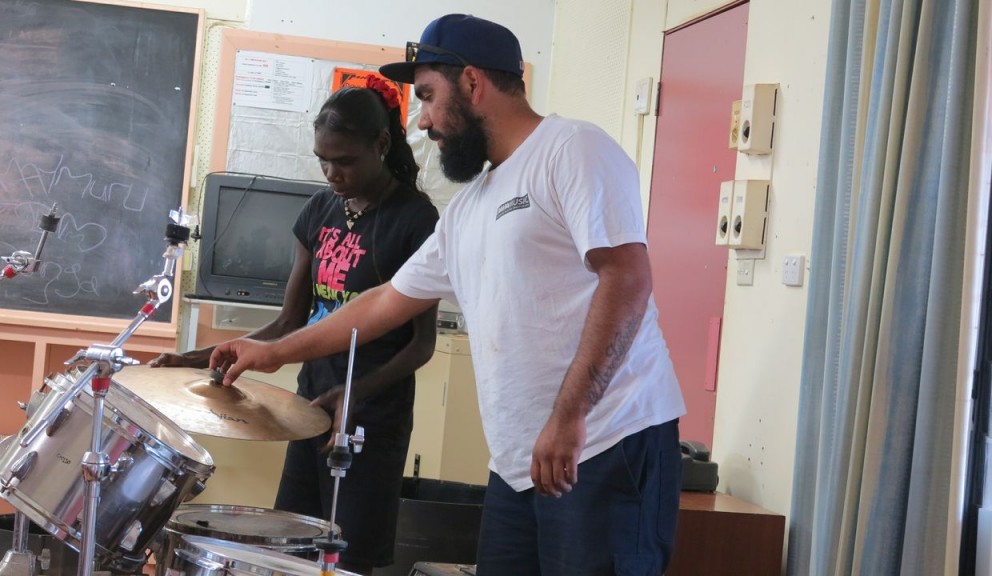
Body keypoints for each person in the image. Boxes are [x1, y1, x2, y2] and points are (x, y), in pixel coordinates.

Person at [210, 14, 686, 576]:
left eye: (430, 96)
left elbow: (626, 277)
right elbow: (387, 301)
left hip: (603, 444)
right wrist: (273, 351)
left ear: (474, 84)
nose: (423, 120)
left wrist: (569, 416)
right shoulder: (471, 206)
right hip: (520, 464)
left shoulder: (572, 149)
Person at [152, 76, 439, 575]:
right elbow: (290, 320)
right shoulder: (320, 209)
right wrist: (190, 359)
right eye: (323, 160)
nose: (332, 173)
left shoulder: (415, 220)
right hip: (306, 409)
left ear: (382, 145)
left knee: (346, 560)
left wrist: (355, 390)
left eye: (345, 160)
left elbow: (422, 344)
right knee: (291, 549)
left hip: (371, 421)